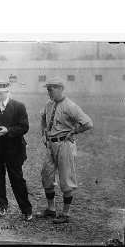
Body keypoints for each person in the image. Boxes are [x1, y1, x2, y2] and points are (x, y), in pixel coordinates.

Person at [38, 77, 93, 224]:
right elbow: (43, 118)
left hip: (64, 145)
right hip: (50, 144)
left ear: (61, 89)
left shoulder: (70, 106)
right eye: (48, 89)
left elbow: (88, 123)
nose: (49, 92)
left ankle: (66, 214)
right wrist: (44, 133)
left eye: (52, 89)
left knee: (66, 179)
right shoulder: (49, 104)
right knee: (46, 176)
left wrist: (74, 131)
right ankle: (51, 209)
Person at [0, 80, 33, 221]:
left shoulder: (19, 107)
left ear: (7, 92)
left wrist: (7, 130)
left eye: (1, 93)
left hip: (14, 149)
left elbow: (24, 127)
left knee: (17, 180)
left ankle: (26, 209)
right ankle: (2, 206)